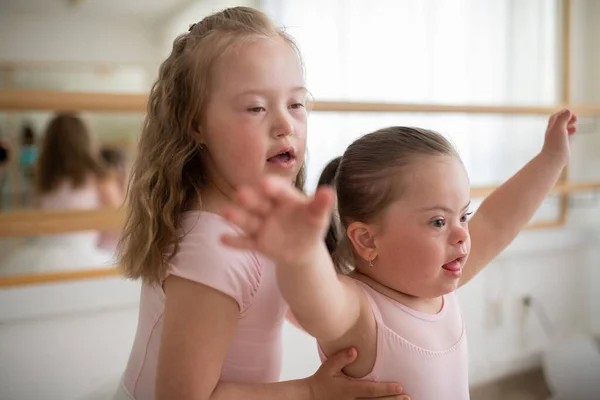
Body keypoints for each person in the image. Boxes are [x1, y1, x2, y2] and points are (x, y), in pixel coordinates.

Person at [114, 6, 408, 400]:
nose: (285, 124)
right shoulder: (213, 250)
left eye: (296, 104)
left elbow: (269, 300)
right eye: (256, 107)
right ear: (196, 124)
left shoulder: (259, 217)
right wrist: (311, 391)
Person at [220, 110, 577, 399]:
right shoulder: (359, 312)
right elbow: (316, 302)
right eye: (438, 221)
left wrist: (551, 159)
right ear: (368, 240)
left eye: (463, 215)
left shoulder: (437, 285)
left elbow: (498, 221)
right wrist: (300, 253)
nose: (462, 234)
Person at [0, 113, 120, 275]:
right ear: (85, 141)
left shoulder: (42, 179)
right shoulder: (99, 177)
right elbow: (117, 223)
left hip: (42, 253)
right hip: (84, 254)